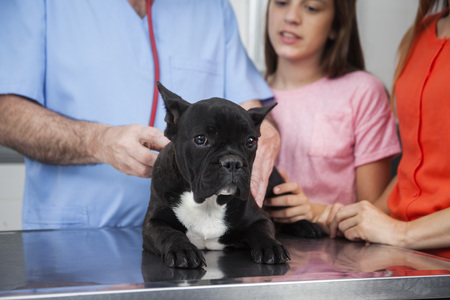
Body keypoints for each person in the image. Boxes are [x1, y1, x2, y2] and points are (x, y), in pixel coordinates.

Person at [0, 0, 279, 229]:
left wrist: (264, 136)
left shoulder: (214, 7)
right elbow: (5, 113)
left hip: (196, 237)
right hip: (74, 239)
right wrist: (98, 141)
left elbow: (249, 110)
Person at [261, 0, 401, 230]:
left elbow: (374, 212)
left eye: (311, 8)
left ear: (336, 26)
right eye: (282, 3)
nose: (291, 17)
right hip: (257, 252)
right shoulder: (247, 97)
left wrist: (314, 211)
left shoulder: (364, 91)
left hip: (337, 257)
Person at [330, 0, 450, 259]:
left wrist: (400, 233)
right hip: (403, 259)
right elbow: (416, 167)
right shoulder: (421, 32)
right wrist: (363, 218)